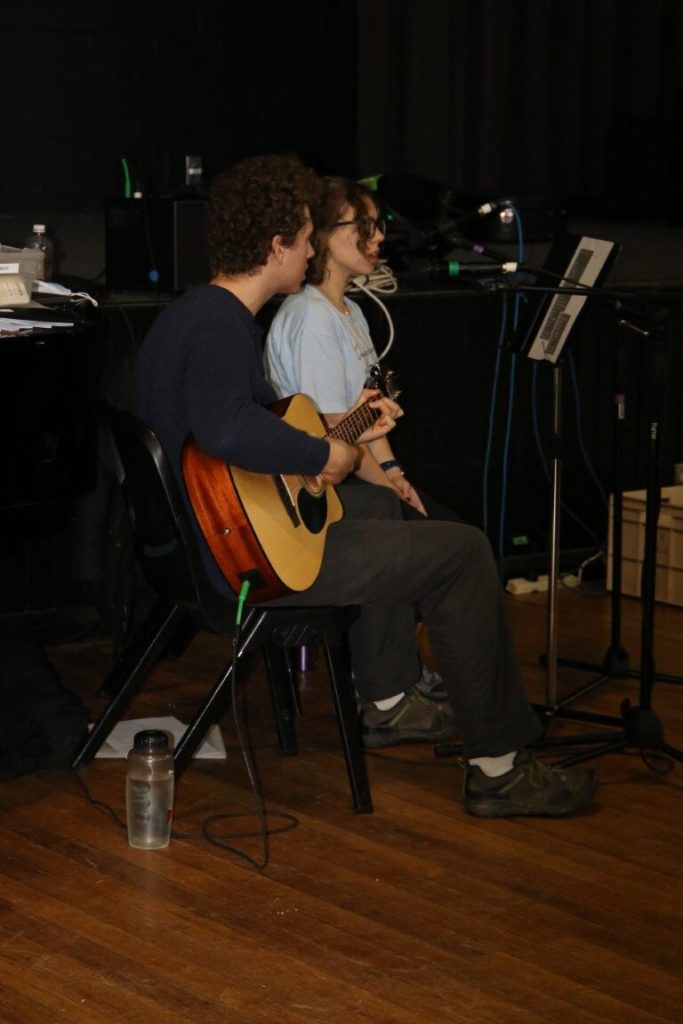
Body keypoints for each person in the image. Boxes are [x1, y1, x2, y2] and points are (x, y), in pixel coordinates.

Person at [133, 153, 598, 818]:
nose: (311, 250)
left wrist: (332, 434)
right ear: (278, 246)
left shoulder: (192, 314)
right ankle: (498, 766)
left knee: (378, 501)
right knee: (464, 553)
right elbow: (226, 428)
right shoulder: (218, 326)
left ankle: (388, 698)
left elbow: (227, 431)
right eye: (305, 237)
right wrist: (321, 451)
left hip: (206, 546)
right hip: (238, 562)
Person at [265, 175, 457, 522]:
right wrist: (390, 490)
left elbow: (365, 415)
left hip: (359, 474)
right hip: (326, 489)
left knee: (459, 533)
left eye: (378, 226)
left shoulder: (350, 311)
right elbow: (336, 431)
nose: (379, 236)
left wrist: (394, 472)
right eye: (366, 226)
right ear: (323, 234)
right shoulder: (313, 318)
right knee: (461, 543)